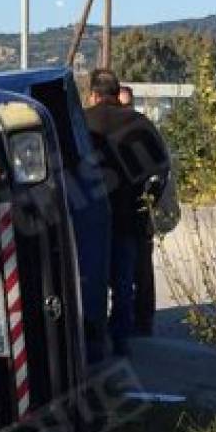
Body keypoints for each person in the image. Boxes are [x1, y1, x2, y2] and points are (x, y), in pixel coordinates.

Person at [83, 69, 169, 357]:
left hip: (88, 217)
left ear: (94, 94)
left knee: (90, 281)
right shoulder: (140, 124)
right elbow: (161, 170)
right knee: (123, 283)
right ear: (117, 93)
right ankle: (121, 338)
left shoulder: (81, 123)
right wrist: (146, 204)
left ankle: (92, 343)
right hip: (128, 217)